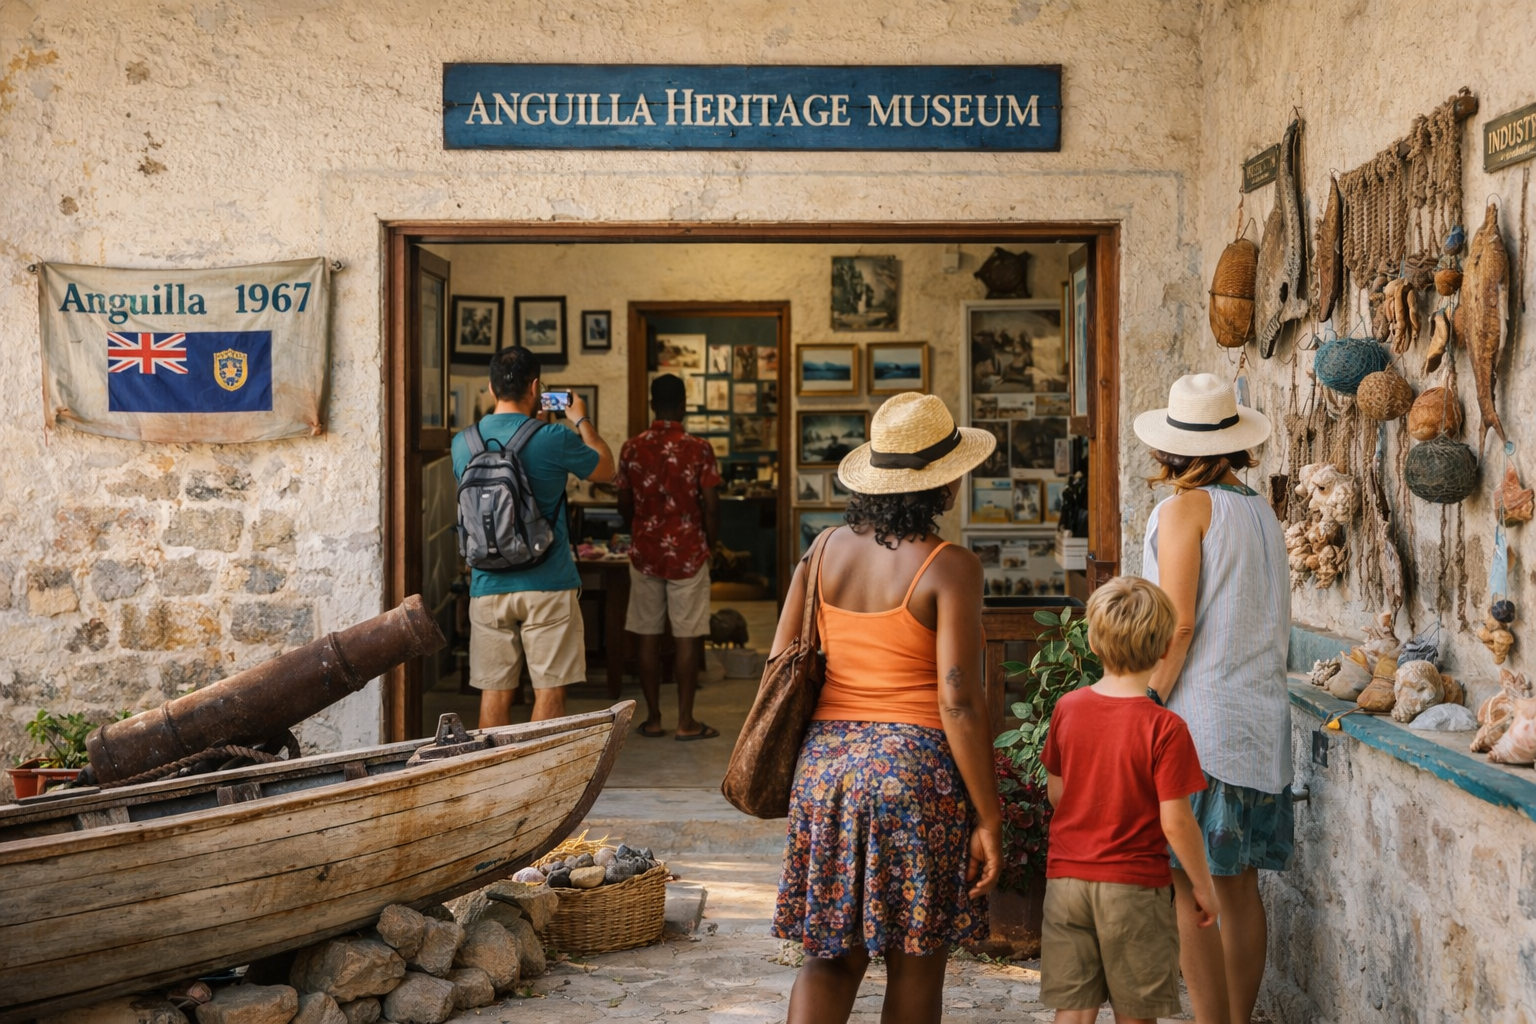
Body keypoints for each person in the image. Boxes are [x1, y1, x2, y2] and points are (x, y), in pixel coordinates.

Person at [770, 392, 1003, 1024]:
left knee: (829, 957)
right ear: (944, 486)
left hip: (825, 774)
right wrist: (989, 815)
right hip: (913, 775)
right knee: (916, 957)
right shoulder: (950, 567)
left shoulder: (821, 551)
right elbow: (957, 699)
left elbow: (780, 661)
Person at [1133, 373, 1293, 1024]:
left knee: (1189, 889)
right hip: (1261, 728)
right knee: (1241, 890)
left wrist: (1143, 703)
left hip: (1202, 729)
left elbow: (1177, 624)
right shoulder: (1259, 511)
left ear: (1170, 448)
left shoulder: (1185, 509)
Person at [1040, 575, 1220, 1024]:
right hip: (1135, 887)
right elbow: (1176, 822)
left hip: (1067, 882)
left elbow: (1056, 792)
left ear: (1095, 645)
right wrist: (1202, 886)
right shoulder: (1165, 728)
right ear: (1163, 650)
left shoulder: (1068, 708)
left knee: (1074, 1008)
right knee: (1136, 1011)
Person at [451, 346, 616, 725]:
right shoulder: (554, 436)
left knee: (494, 690)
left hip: (488, 584)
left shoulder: (463, 443)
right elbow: (606, 469)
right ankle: (538, 779)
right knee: (550, 690)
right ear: (536, 386)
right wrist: (581, 418)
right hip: (548, 582)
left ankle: (491, 779)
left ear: (491, 389)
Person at [615, 374, 722, 740]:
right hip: (689, 551)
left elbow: (623, 502)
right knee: (687, 637)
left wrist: (642, 527)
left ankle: (655, 717)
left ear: (651, 404)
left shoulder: (631, 448)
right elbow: (711, 505)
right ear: (683, 406)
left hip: (645, 552)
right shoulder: (699, 448)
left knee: (647, 634)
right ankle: (686, 722)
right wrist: (712, 543)